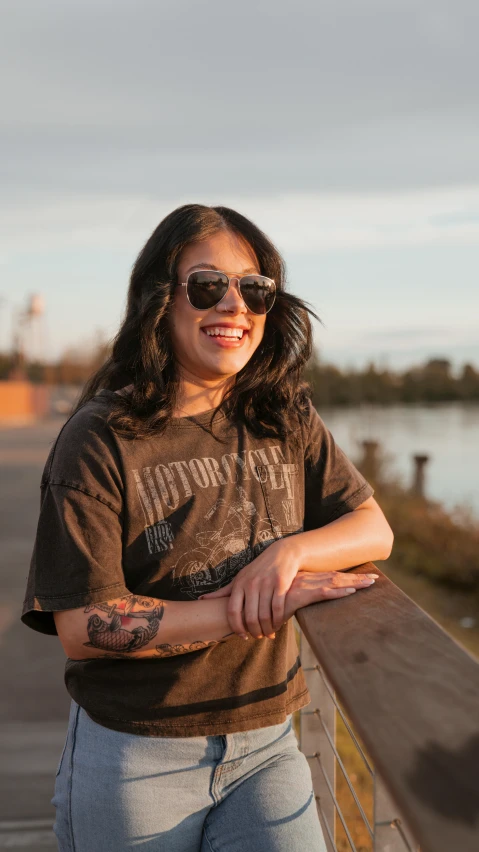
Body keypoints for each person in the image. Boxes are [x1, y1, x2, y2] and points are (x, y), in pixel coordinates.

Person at [21, 204, 393, 852]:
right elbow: (84, 627)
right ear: (159, 300)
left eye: (253, 289)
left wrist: (287, 556)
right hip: (134, 751)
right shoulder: (101, 437)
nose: (233, 306)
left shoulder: (282, 413)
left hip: (268, 740)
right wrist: (243, 609)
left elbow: (372, 528)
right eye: (206, 285)